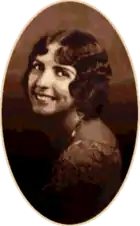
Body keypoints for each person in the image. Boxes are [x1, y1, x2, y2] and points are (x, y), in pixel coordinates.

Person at [9, 29, 122, 224]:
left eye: (61, 72)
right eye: (37, 66)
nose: (42, 82)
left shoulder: (83, 157)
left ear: (86, 85)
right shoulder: (79, 129)